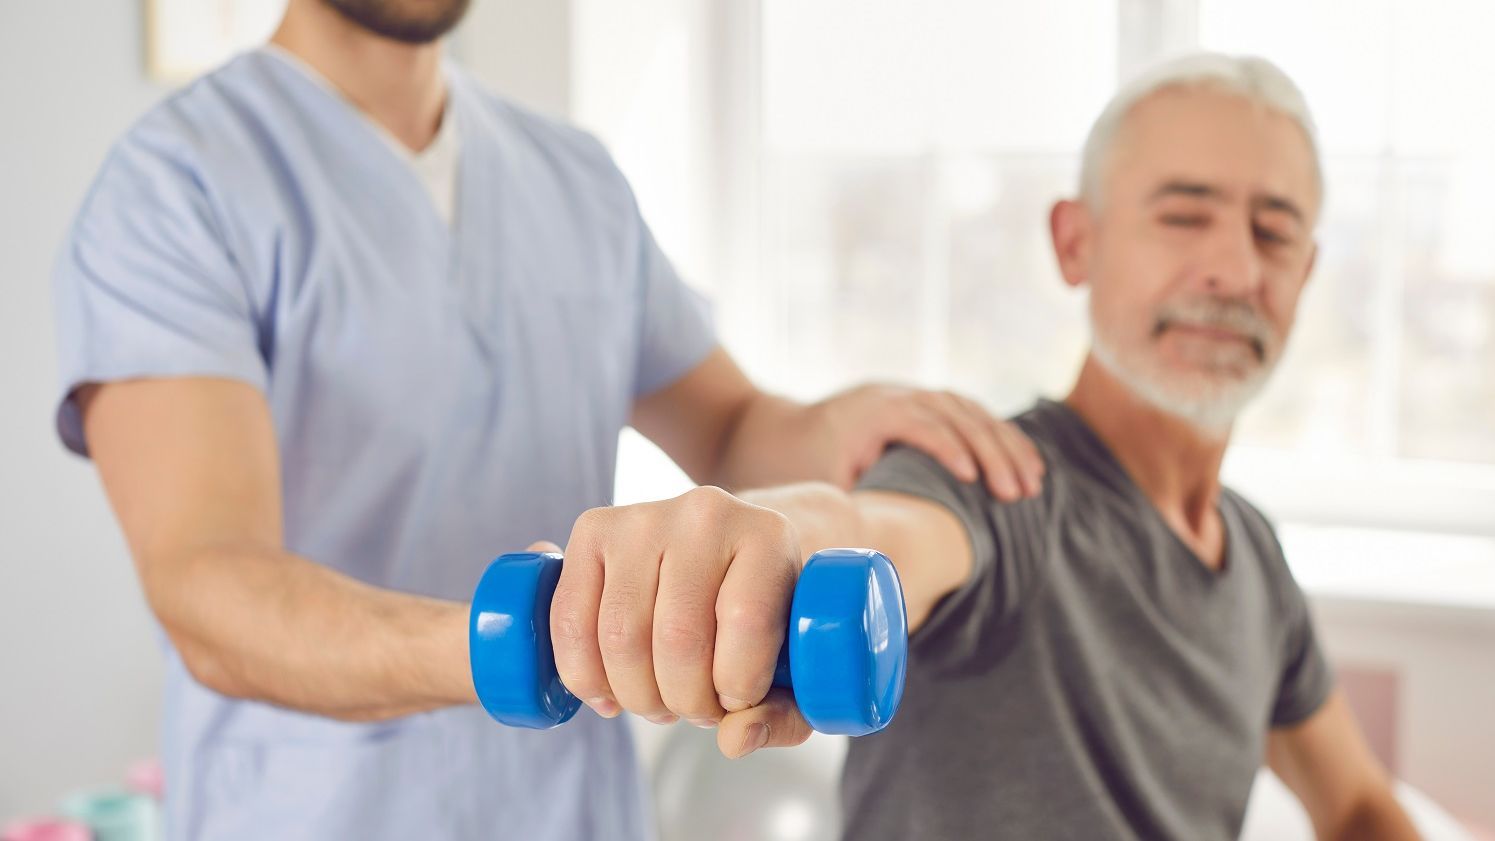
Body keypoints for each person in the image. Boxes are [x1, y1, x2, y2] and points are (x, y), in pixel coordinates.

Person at [51, 1, 1046, 838]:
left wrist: (847, 423)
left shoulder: (573, 178)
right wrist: (527, 641)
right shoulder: (174, 185)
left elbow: (732, 427)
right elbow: (208, 585)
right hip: (316, 811)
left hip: (571, 808)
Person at [542, 54, 1423, 840]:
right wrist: (766, 542)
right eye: (1183, 216)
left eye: (1274, 231)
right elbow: (874, 527)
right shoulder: (995, 483)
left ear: (1304, 272)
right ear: (1075, 242)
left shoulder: (1254, 558)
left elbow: (1356, 803)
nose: (1234, 269)